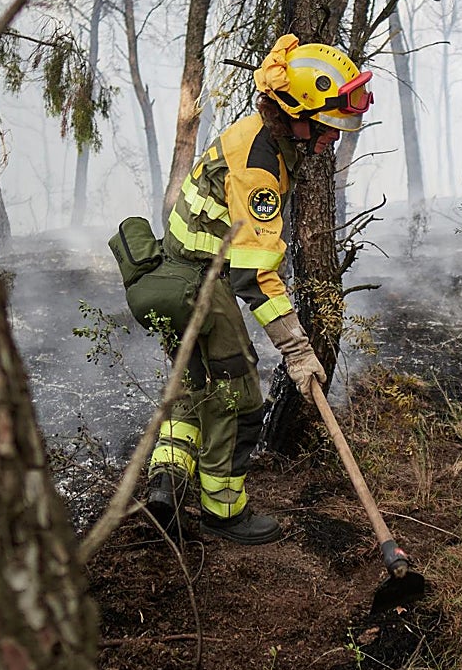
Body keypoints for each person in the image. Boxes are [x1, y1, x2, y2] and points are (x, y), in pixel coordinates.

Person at [121, 34, 374, 545]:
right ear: (298, 111)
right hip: (199, 282)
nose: (333, 136)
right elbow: (253, 275)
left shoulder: (267, 136)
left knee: (194, 392)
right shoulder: (258, 163)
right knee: (237, 400)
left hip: (175, 274)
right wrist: (298, 352)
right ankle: (223, 512)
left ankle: (165, 488)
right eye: (328, 123)